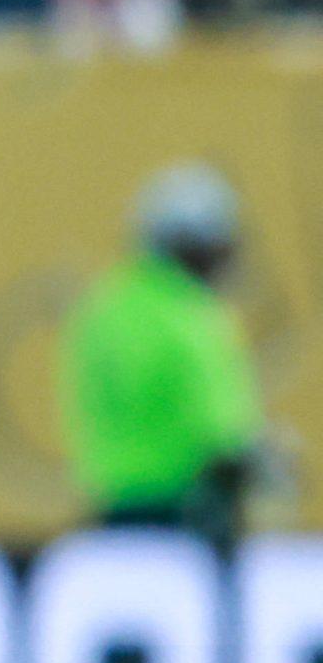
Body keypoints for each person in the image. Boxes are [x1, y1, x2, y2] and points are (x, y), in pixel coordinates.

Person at [61, 163, 272, 548]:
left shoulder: (102, 309)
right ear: (193, 245)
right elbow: (225, 442)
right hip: (184, 519)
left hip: (111, 510)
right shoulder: (192, 318)